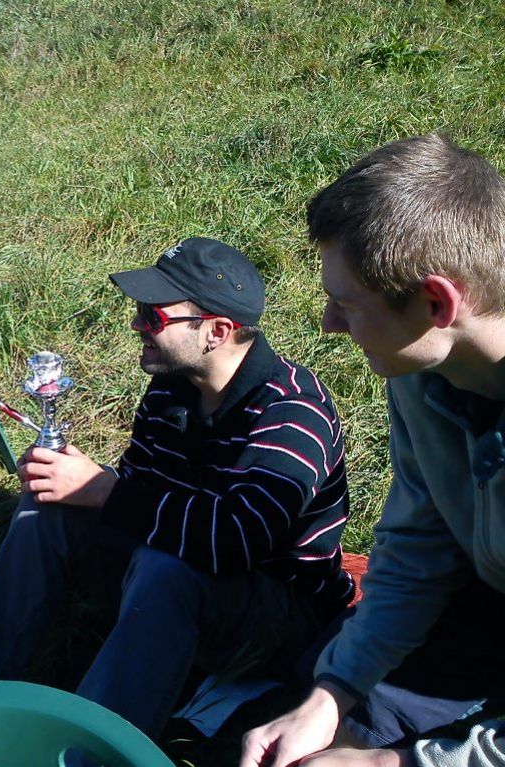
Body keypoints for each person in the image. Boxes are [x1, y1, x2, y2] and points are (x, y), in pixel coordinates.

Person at [0, 237, 356, 739]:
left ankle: (89, 747)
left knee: (166, 570)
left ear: (216, 331)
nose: (137, 325)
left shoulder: (291, 412)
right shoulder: (172, 385)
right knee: (49, 503)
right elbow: (142, 489)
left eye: (154, 317)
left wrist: (106, 492)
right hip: (178, 577)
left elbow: (237, 541)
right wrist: (82, 488)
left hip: (277, 614)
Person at [239, 133, 505, 767]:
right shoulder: (425, 370)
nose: (328, 324)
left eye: (346, 304)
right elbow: (421, 547)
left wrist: (403, 764)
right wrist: (333, 694)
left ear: (438, 302)